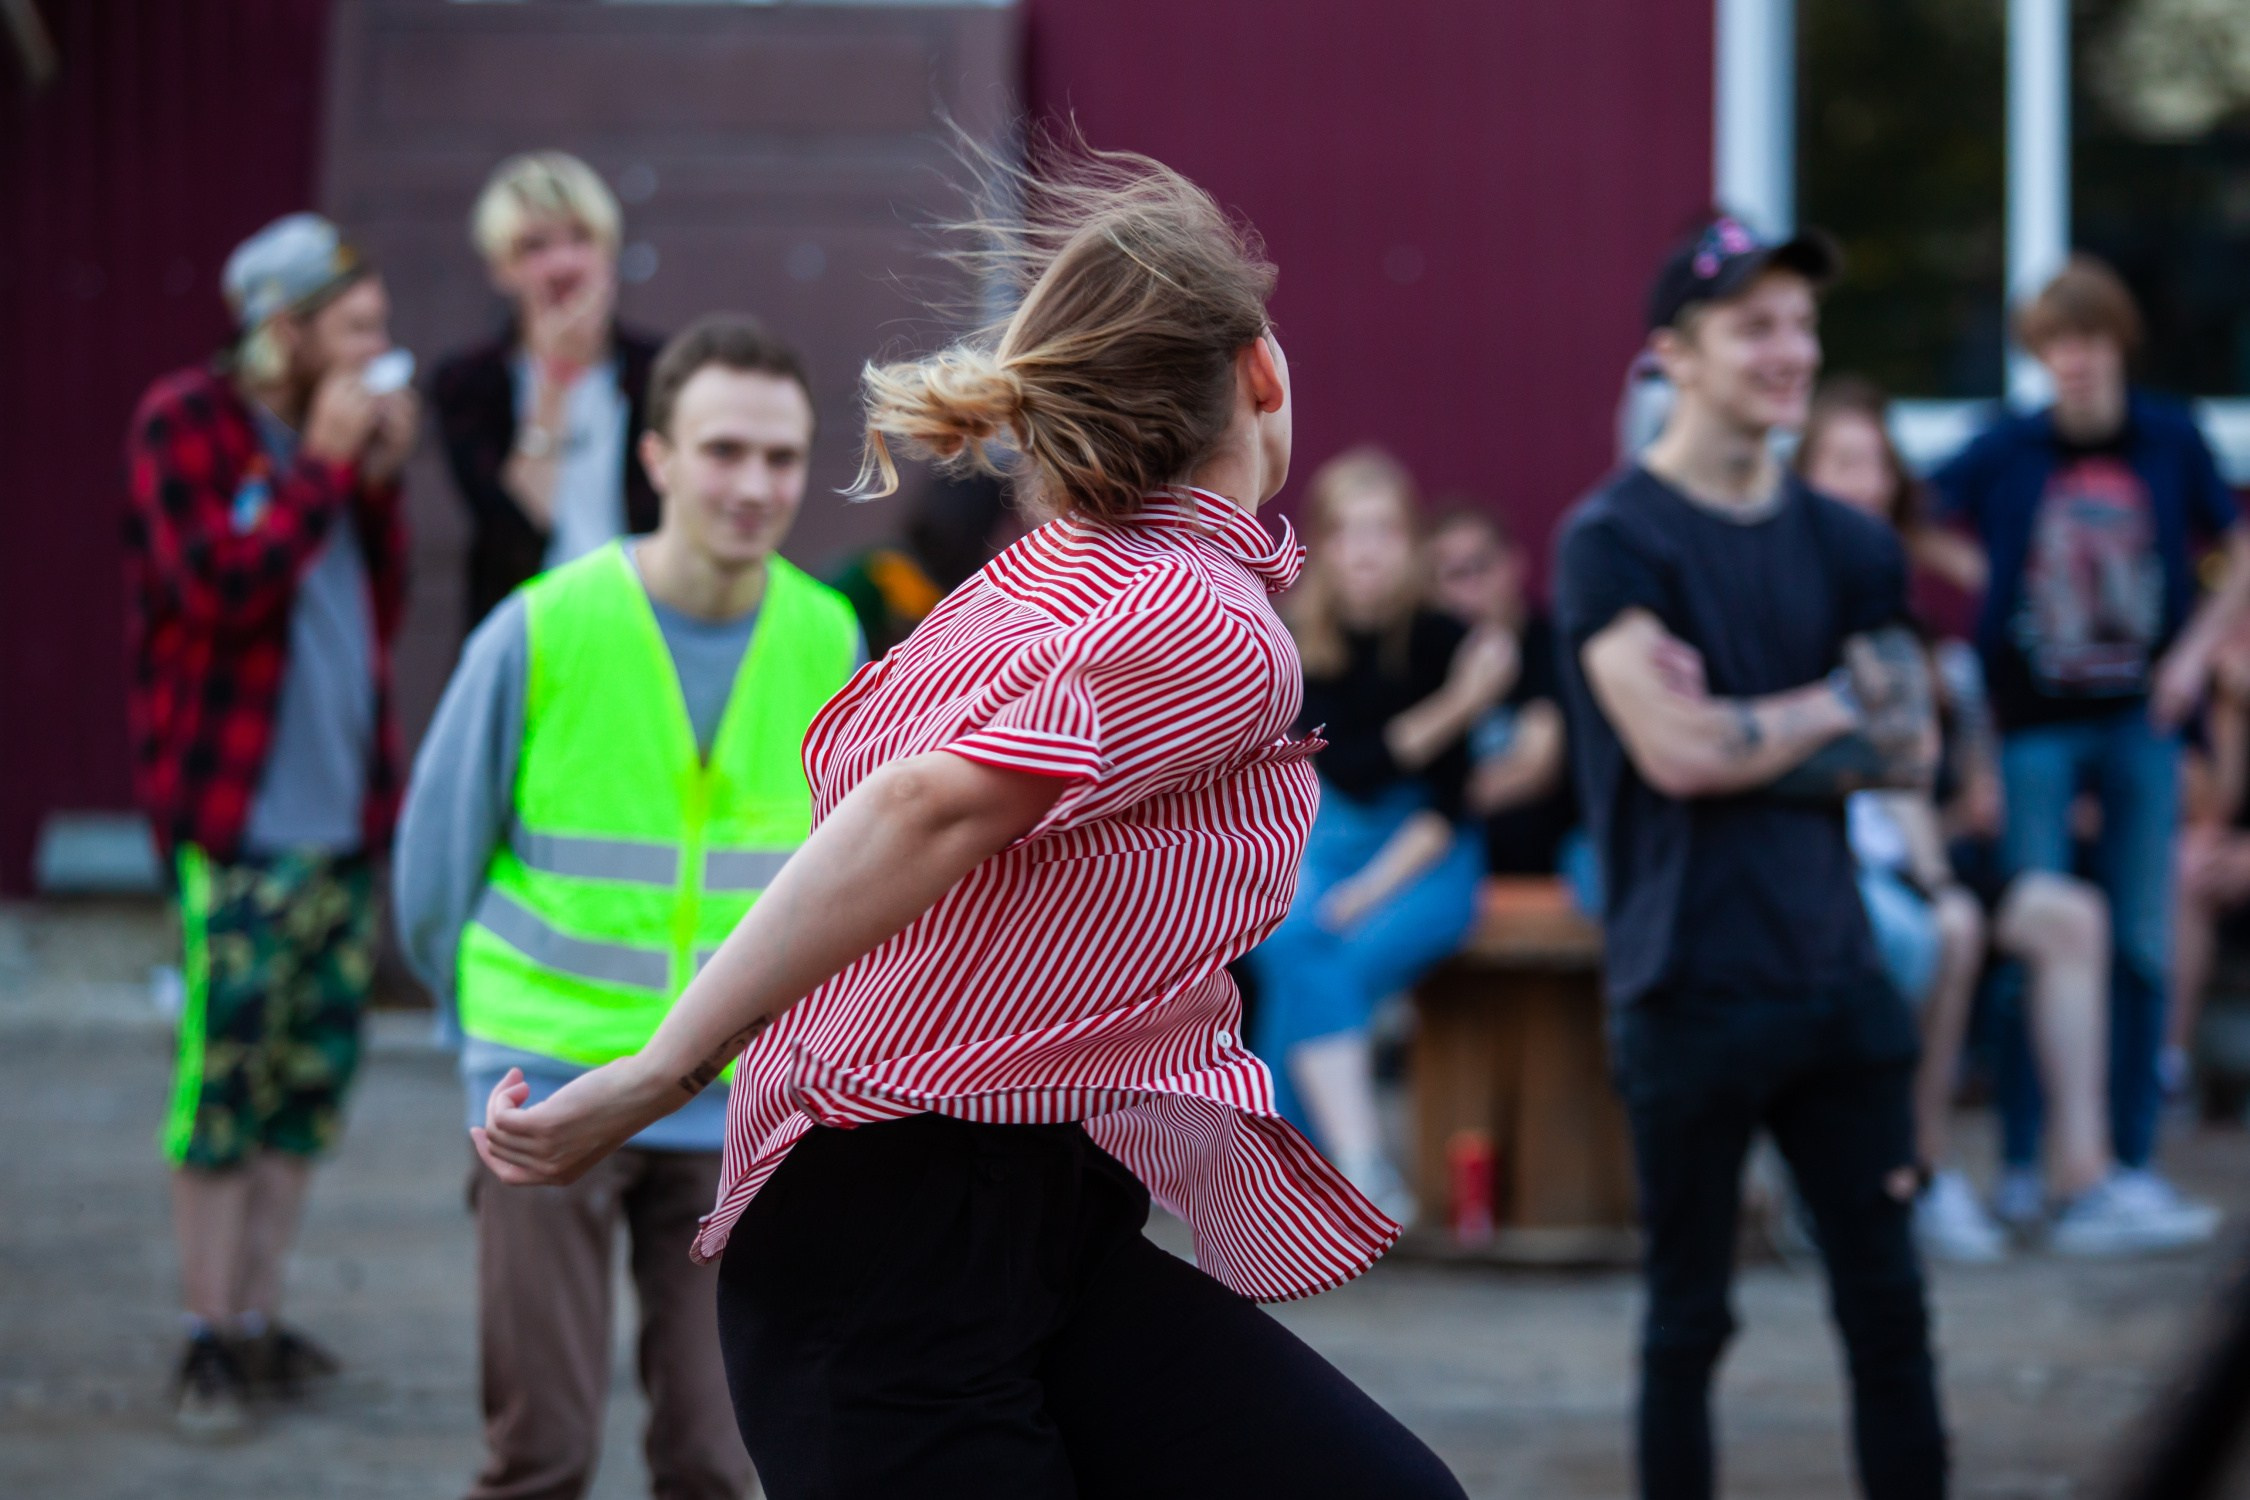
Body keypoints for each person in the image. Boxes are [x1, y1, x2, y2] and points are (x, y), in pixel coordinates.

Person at [467, 141, 1467, 1500]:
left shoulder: (1061, 570)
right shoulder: (1211, 622)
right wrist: (663, 1070)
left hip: (1026, 1232)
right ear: (1259, 374)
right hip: (889, 1268)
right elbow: (921, 808)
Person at [397, 315, 858, 1500]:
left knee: (719, 1459)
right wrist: (482, 1044)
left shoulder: (831, 634)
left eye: (780, 457)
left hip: (736, 1106)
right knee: (541, 1454)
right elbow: (432, 870)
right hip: (540, 1086)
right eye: (722, 451)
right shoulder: (545, 626)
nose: (754, 485)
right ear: (654, 457)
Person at [1553, 213, 1948, 1499]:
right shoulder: (1613, 541)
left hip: (1840, 980)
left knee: (1891, 1321)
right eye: (1755, 326)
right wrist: (1832, 699)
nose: (1791, 349)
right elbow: (1675, 757)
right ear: (1674, 353)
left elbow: (1912, 747)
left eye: (1802, 324)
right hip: (1688, 988)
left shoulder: (1852, 543)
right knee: (1687, 1327)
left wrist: (1745, 724)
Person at [1800, 378, 2215, 1260]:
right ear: (1803, 478)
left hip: (1927, 855)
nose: (1864, 483)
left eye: (1875, 463)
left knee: (2075, 916)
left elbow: (1925, 771)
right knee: (1944, 922)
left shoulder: (1896, 609)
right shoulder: (1786, 595)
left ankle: (2084, 1179)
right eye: (1842, 464)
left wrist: (1966, 782)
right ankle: (1920, 1174)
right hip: (1828, 865)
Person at [123, 212, 417, 1437]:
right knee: (223, 1085)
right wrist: (321, 466)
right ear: (283, 329)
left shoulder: (334, 438)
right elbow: (219, 591)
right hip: (239, 818)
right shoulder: (183, 421)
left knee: (307, 1081)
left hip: (342, 817)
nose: (374, 354)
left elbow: (379, 608)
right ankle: (204, 1333)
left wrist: (375, 478)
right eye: (352, 331)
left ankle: (256, 1316)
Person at [1929, 254, 2248, 1226]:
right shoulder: (2008, 448)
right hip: (2032, 724)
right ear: (2040, 354)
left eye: (2089, 340)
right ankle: (2027, 1161)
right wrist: (1995, 582)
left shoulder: (2168, 437)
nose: (2074, 361)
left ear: (2117, 343)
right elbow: (1914, 518)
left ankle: (2124, 1161)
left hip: (2140, 719)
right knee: (2041, 929)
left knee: (2142, 938)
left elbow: (2235, 547)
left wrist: (2193, 655)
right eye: (2056, 345)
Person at [1245, 448, 1502, 1222]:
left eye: (1385, 529)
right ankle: (1352, 1167)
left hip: (1425, 855)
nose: (1367, 549)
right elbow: (1349, 768)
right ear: (1323, 541)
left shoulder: (1444, 638)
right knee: (1290, 937)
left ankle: (1290, 1180)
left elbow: (1448, 805)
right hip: (1329, 841)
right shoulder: (1293, 639)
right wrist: (1463, 704)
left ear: (1411, 543)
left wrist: (1367, 893)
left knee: (1309, 961)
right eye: (1350, 530)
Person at [432, 151, 664, 632]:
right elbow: (511, 528)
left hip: (646, 626)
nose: (563, 264)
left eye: (580, 239)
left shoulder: (661, 370)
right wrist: (556, 383)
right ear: (501, 269)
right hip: (529, 630)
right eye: (534, 247)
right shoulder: (468, 383)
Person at [1426, 506, 1579, 881]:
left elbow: (1534, 768)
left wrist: (1433, 806)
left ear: (1514, 564)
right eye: (1451, 575)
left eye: (1480, 567)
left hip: (1541, 853)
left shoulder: (1550, 645)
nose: (1469, 588)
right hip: (1440, 859)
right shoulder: (1423, 655)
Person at [2169, 617, 2250, 1103]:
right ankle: (2168, 1072)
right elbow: (2210, 808)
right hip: (2223, 862)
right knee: (2189, 861)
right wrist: (2231, 712)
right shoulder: (2198, 690)